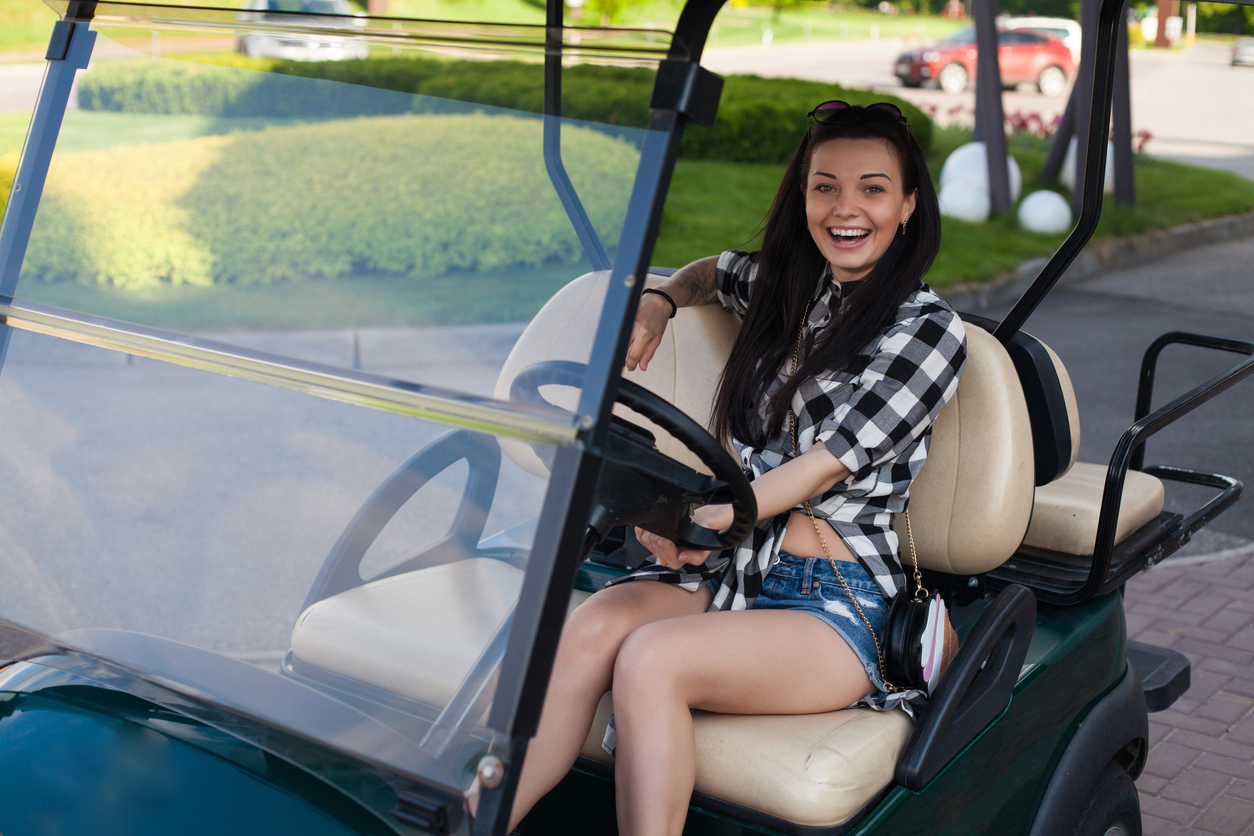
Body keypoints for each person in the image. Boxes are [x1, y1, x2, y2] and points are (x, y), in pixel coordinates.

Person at [507, 101, 967, 835]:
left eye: (873, 189)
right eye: (826, 187)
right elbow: (710, 272)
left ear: (909, 205)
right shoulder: (790, 289)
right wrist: (659, 301)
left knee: (652, 660)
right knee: (588, 629)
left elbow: (822, 467)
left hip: (836, 602)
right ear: (804, 196)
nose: (846, 208)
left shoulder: (928, 332)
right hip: (733, 571)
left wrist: (712, 516)